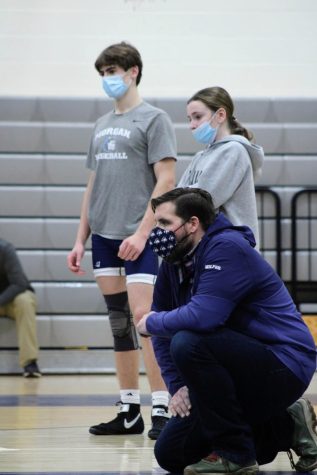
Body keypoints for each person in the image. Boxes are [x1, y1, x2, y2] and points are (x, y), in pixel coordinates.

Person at [137, 187, 317, 474]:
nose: (156, 231)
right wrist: (178, 387)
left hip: (283, 362)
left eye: (164, 223)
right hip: (235, 366)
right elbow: (162, 333)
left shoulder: (227, 248)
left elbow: (203, 317)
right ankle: (288, 424)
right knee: (171, 453)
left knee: (189, 342)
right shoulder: (174, 262)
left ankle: (237, 456)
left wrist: (150, 322)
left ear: (193, 224)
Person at [67, 41, 177, 439]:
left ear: (133, 71)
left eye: (112, 71)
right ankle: (129, 409)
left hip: (140, 237)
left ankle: (162, 408)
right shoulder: (99, 125)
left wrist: (142, 232)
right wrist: (80, 239)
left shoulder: (155, 119)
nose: (107, 79)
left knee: (146, 322)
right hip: (104, 237)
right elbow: (92, 185)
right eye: (102, 73)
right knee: (119, 324)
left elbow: (167, 180)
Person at [178, 86, 263, 246]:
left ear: (221, 115)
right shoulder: (201, 156)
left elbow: (202, 203)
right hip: (208, 247)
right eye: (189, 119)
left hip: (230, 249)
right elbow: (177, 198)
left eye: (197, 117)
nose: (192, 125)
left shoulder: (234, 151)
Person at [0, 238, 41, 377]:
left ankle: (30, 363)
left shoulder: (5, 248)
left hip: (12, 299)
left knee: (25, 301)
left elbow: (19, 284)